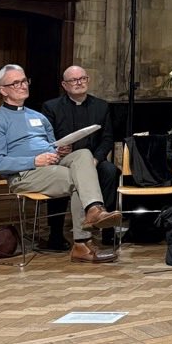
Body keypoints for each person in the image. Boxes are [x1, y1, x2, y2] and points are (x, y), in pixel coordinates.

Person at [0, 64, 119, 263]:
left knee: (83, 154)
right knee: (79, 179)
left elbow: (50, 145)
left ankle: (94, 209)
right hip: (25, 174)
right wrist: (34, 160)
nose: (23, 85)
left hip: (51, 165)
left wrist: (57, 150)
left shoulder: (38, 117)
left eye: (24, 80)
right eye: (16, 83)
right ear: (3, 90)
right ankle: (82, 242)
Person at [42, 65, 118, 248]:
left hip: (93, 159)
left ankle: (106, 226)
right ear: (64, 85)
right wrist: (57, 150)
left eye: (82, 79)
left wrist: (96, 159)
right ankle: (55, 233)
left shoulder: (101, 106)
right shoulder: (51, 107)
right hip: (64, 161)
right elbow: (46, 139)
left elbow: (107, 138)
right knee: (61, 175)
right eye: (74, 80)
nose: (79, 83)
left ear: (88, 80)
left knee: (110, 171)